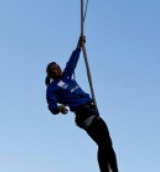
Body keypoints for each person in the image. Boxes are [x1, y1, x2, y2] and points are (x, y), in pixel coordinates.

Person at [45, 35, 119, 172]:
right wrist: (58, 108)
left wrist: (79, 46)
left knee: (108, 144)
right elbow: (51, 104)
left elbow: (71, 63)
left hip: (92, 111)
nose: (58, 69)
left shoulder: (67, 76)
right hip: (82, 113)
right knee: (104, 143)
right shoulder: (52, 87)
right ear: (50, 74)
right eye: (54, 69)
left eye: (58, 67)